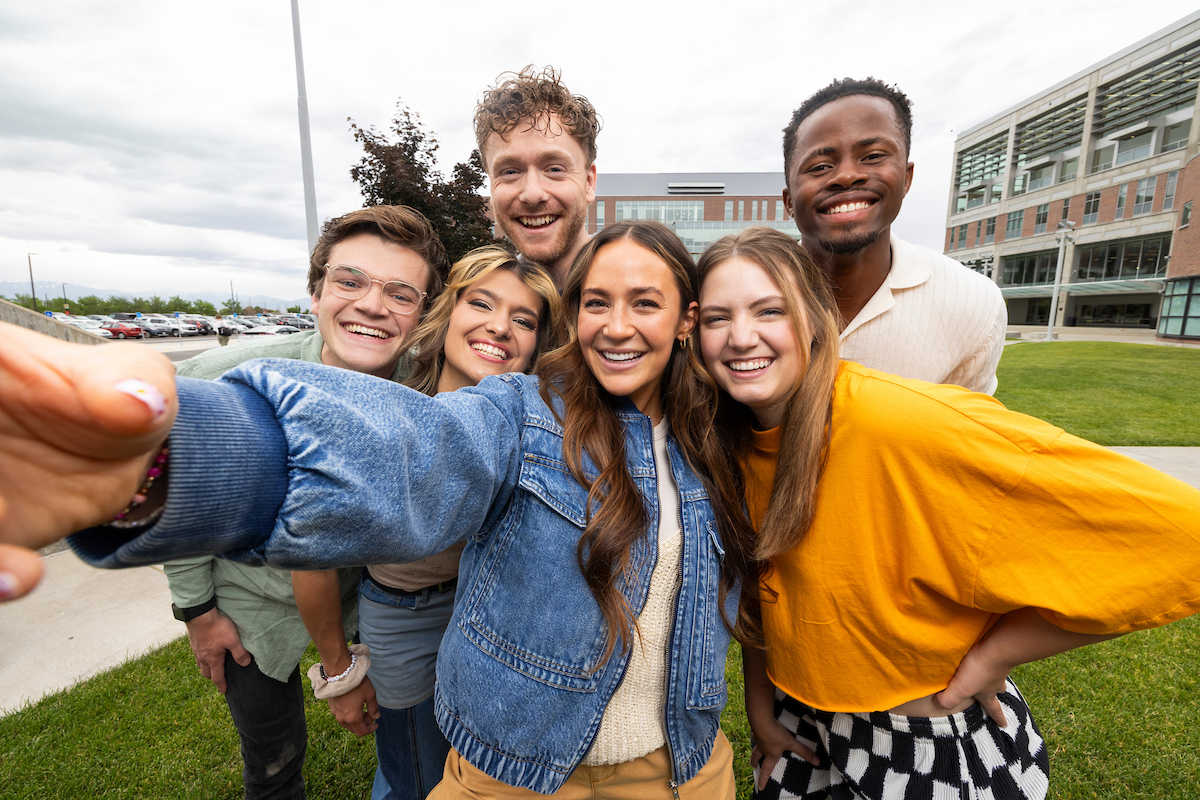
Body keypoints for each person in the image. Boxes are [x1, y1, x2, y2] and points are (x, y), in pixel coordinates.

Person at [0, 220, 756, 798]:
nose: (617, 325)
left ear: (687, 320)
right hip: (509, 773)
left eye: (645, 303)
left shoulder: (720, 438)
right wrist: (165, 462)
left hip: (685, 771)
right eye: (597, 302)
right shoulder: (524, 414)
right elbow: (407, 455)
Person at [694, 227, 1200, 800]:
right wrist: (763, 714)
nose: (740, 337)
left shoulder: (903, 423)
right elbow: (766, 590)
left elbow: (1182, 529)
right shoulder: (730, 437)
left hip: (921, 736)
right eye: (717, 318)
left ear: (813, 318)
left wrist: (994, 656)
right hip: (803, 725)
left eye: (769, 311)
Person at [164, 205, 449, 800]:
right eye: (350, 281)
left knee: (404, 738)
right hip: (247, 600)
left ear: (423, 313)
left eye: (401, 293)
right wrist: (198, 613)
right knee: (272, 757)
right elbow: (174, 499)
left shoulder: (427, 389)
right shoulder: (227, 380)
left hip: (359, 598)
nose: (372, 305)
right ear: (316, 291)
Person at [303, 246, 560, 800]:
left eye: (524, 319)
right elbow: (311, 561)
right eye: (482, 303)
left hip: (495, 618)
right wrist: (339, 675)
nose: (500, 326)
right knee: (415, 774)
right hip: (407, 615)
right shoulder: (389, 412)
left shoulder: (539, 431)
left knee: (482, 767)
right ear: (449, 312)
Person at [782, 78, 1007, 395]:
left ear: (906, 177)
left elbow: (963, 436)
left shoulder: (974, 302)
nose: (847, 175)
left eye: (873, 156)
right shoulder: (733, 298)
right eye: (820, 166)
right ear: (789, 200)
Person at [474, 66, 599, 284]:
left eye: (554, 169)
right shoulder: (472, 307)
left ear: (589, 183)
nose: (532, 194)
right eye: (510, 172)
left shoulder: (654, 292)